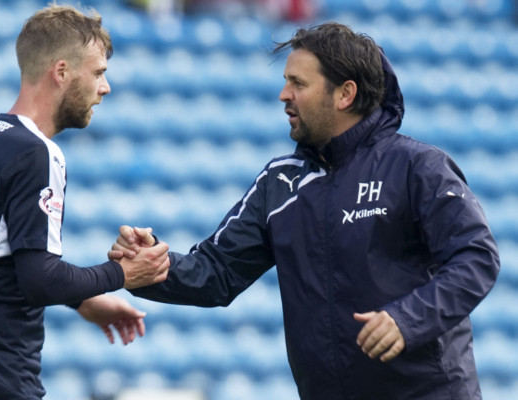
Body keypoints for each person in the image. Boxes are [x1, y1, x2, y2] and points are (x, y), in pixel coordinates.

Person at [110, 22, 500, 400]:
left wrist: (408, 319)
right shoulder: (279, 183)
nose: (284, 94)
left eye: (298, 83)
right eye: (286, 81)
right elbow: (215, 273)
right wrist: (151, 265)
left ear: (345, 94)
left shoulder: (417, 167)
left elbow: (476, 257)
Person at [0, 5, 170, 400]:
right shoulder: (37, 151)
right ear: (61, 72)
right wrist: (122, 273)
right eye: (99, 74)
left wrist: (84, 300)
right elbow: (40, 280)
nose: (104, 88)